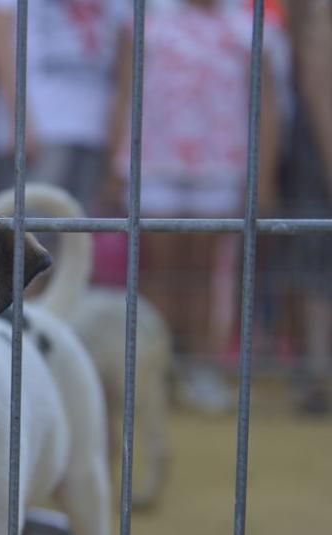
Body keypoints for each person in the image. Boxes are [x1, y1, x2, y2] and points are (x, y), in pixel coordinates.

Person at [105, 0, 280, 414]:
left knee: (207, 273)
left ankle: (201, 368)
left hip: (222, 163)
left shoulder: (250, 25)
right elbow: (125, 90)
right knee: (157, 272)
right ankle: (156, 372)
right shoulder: (147, 18)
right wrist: (115, 163)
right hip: (153, 162)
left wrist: (265, 174)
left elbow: (267, 105)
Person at [0, 0, 130, 212]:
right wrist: (19, 120)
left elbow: (124, 51)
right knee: (27, 230)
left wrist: (116, 132)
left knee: (76, 232)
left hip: (94, 127)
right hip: (40, 125)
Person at [284, 0, 332, 414]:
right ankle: (316, 376)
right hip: (321, 158)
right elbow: (319, 88)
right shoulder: (322, 18)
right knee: (318, 270)